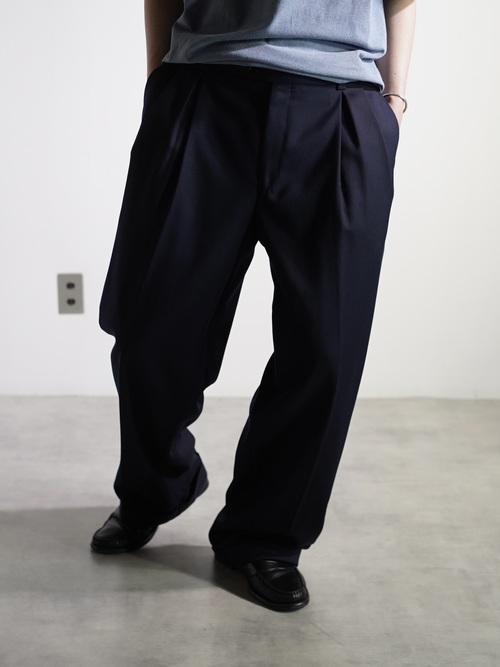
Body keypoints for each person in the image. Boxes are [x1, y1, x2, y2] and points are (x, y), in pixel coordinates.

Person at [91, 0, 416, 612]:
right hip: (204, 91)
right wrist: (161, 80)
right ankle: (153, 487)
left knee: (327, 347)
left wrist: (394, 101)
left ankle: (265, 535)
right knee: (149, 328)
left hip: (341, 105)